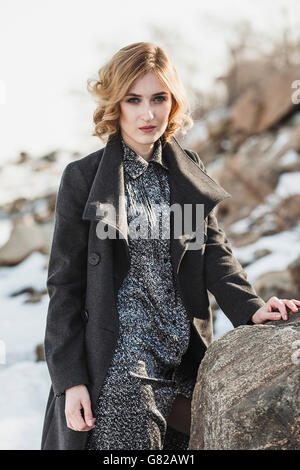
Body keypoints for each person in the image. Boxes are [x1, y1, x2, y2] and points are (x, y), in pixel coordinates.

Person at [41, 42, 300, 451]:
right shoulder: (83, 178)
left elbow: (214, 251)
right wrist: (69, 380)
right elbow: (64, 286)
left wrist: (251, 307)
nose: (148, 114)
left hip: (183, 358)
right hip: (121, 363)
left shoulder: (187, 168)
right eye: (134, 100)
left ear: (173, 101)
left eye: (159, 98)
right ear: (116, 104)